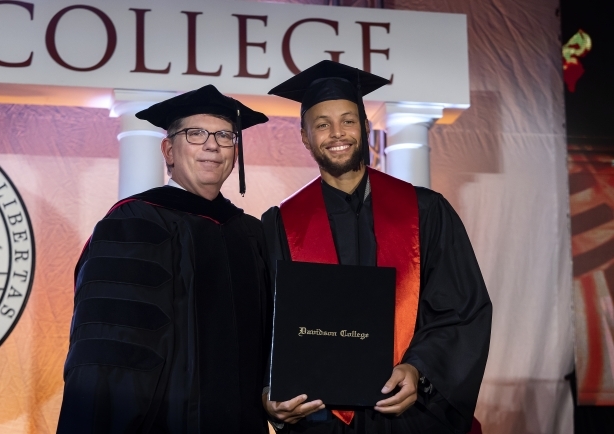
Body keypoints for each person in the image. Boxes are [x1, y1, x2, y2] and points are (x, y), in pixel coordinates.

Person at [261, 61, 492, 434]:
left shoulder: (426, 211)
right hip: (320, 420)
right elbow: (265, 323)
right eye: (322, 124)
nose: (337, 133)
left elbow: (461, 310)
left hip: (406, 414)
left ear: (365, 127)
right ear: (305, 138)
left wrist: (419, 369)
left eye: (348, 120)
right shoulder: (279, 224)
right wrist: (270, 393)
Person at [57, 85, 272, 433]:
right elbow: (107, 354)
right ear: (169, 150)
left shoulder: (250, 234)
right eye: (196, 133)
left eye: (224, 135)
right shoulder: (132, 223)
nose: (212, 145)